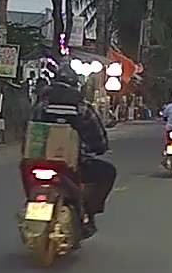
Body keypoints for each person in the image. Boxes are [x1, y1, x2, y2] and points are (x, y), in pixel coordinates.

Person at [30, 62, 115, 235]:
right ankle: (89, 212)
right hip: (74, 163)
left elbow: (30, 130)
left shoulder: (41, 106)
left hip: (38, 159)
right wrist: (100, 148)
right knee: (108, 172)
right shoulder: (82, 108)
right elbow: (98, 138)